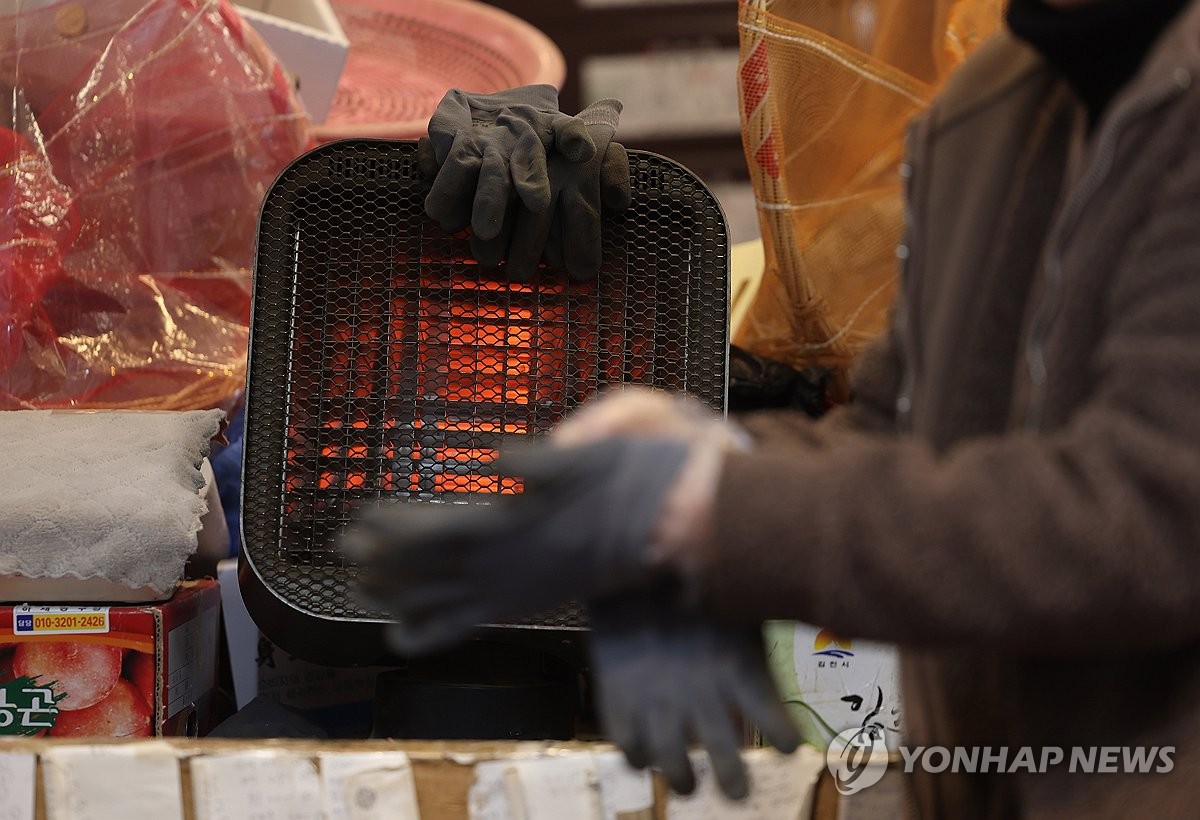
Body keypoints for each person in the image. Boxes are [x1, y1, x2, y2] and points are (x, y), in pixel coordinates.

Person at [351, 0, 1200, 816]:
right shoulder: (988, 112)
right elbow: (895, 436)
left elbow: (1155, 506)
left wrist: (722, 508)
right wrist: (698, 456)